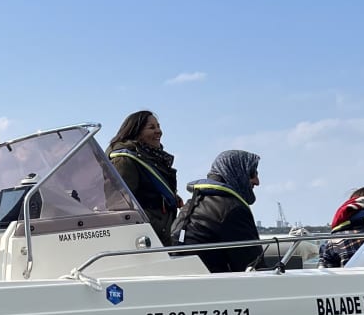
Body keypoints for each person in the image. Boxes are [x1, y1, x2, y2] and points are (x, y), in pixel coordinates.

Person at [170, 149, 264, 273]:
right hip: (213, 286)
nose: (257, 181)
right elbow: (253, 265)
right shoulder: (233, 210)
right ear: (236, 171)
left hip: (185, 278)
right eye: (252, 174)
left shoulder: (191, 205)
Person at [107, 111, 180, 246]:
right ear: (136, 132)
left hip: (161, 237)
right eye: (151, 127)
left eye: (158, 126)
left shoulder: (152, 160)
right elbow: (118, 206)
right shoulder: (124, 160)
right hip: (145, 241)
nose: (159, 131)